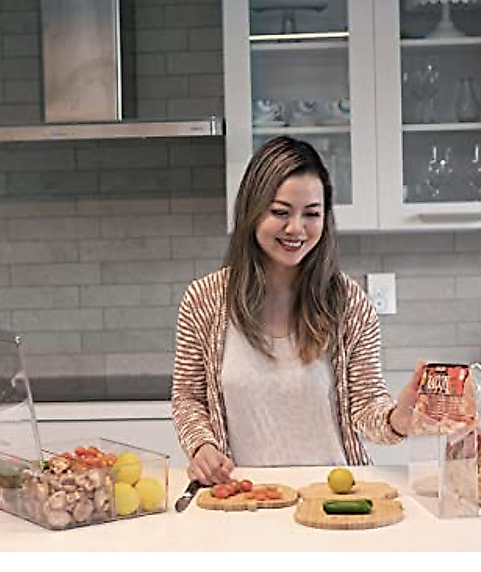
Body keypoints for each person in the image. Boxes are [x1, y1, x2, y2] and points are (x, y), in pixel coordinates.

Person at [171, 135, 426, 486]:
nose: (296, 229)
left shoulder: (350, 304)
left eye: (311, 214)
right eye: (280, 212)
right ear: (252, 211)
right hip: (245, 498)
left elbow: (365, 406)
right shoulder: (205, 299)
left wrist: (399, 418)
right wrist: (201, 446)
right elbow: (189, 397)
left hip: (335, 498)